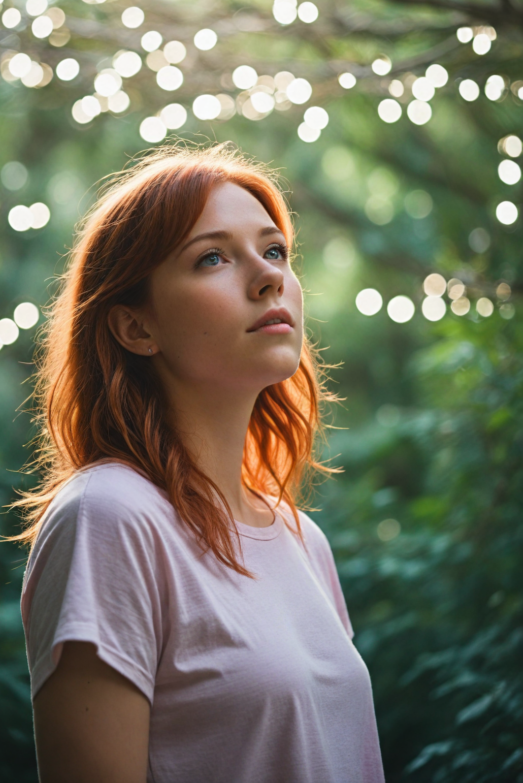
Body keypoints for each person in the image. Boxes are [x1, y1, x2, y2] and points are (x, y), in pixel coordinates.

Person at [19, 143, 385, 783]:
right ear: (136, 328)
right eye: (211, 257)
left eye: (274, 251)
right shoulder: (109, 518)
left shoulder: (304, 540)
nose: (268, 276)